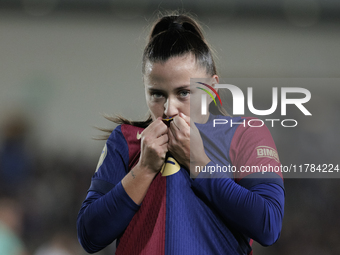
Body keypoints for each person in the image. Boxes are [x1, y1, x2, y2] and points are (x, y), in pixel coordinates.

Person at [77, 13, 285, 255]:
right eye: (157, 94)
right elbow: (89, 236)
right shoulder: (126, 140)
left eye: (184, 92)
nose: (168, 109)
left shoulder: (244, 134)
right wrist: (144, 169)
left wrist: (197, 162)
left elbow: (268, 226)